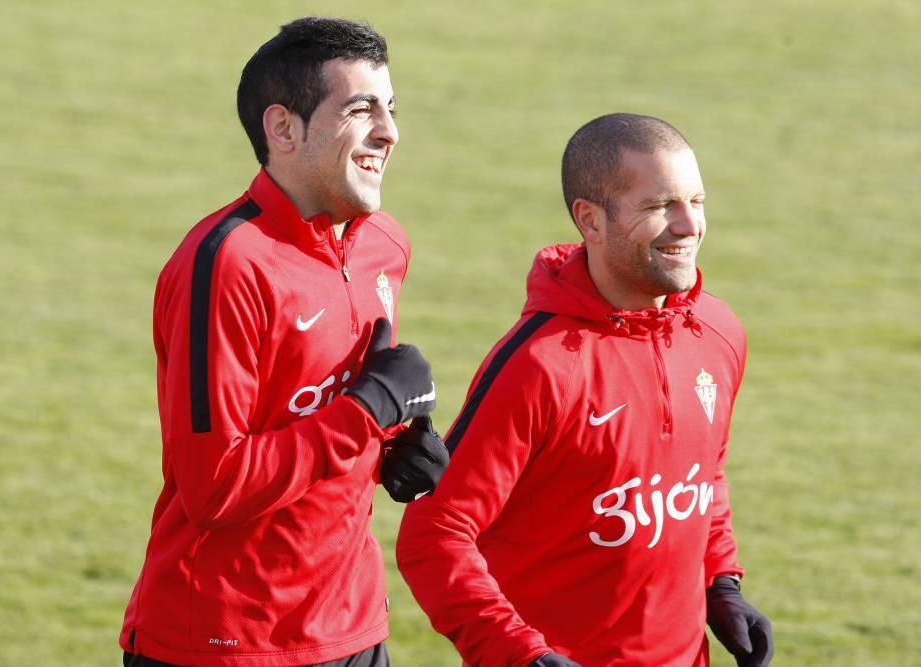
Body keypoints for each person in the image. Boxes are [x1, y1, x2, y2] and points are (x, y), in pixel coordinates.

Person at [120, 17, 447, 667]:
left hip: (352, 625)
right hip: (223, 642)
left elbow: (319, 407)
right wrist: (368, 413)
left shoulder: (384, 245)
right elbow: (215, 487)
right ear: (283, 128)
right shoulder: (227, 264)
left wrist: (398, 441)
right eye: (361, 109)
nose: (389, 131)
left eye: (391, 109)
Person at [396, 113, 774, 667]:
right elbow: (436, 535)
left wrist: (722, 583)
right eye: (658, 206)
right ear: (590, 220)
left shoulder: (717, 333)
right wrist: (520, 656)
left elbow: (701, 475)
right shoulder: (540, 367)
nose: (688, 225)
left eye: (697, 201)